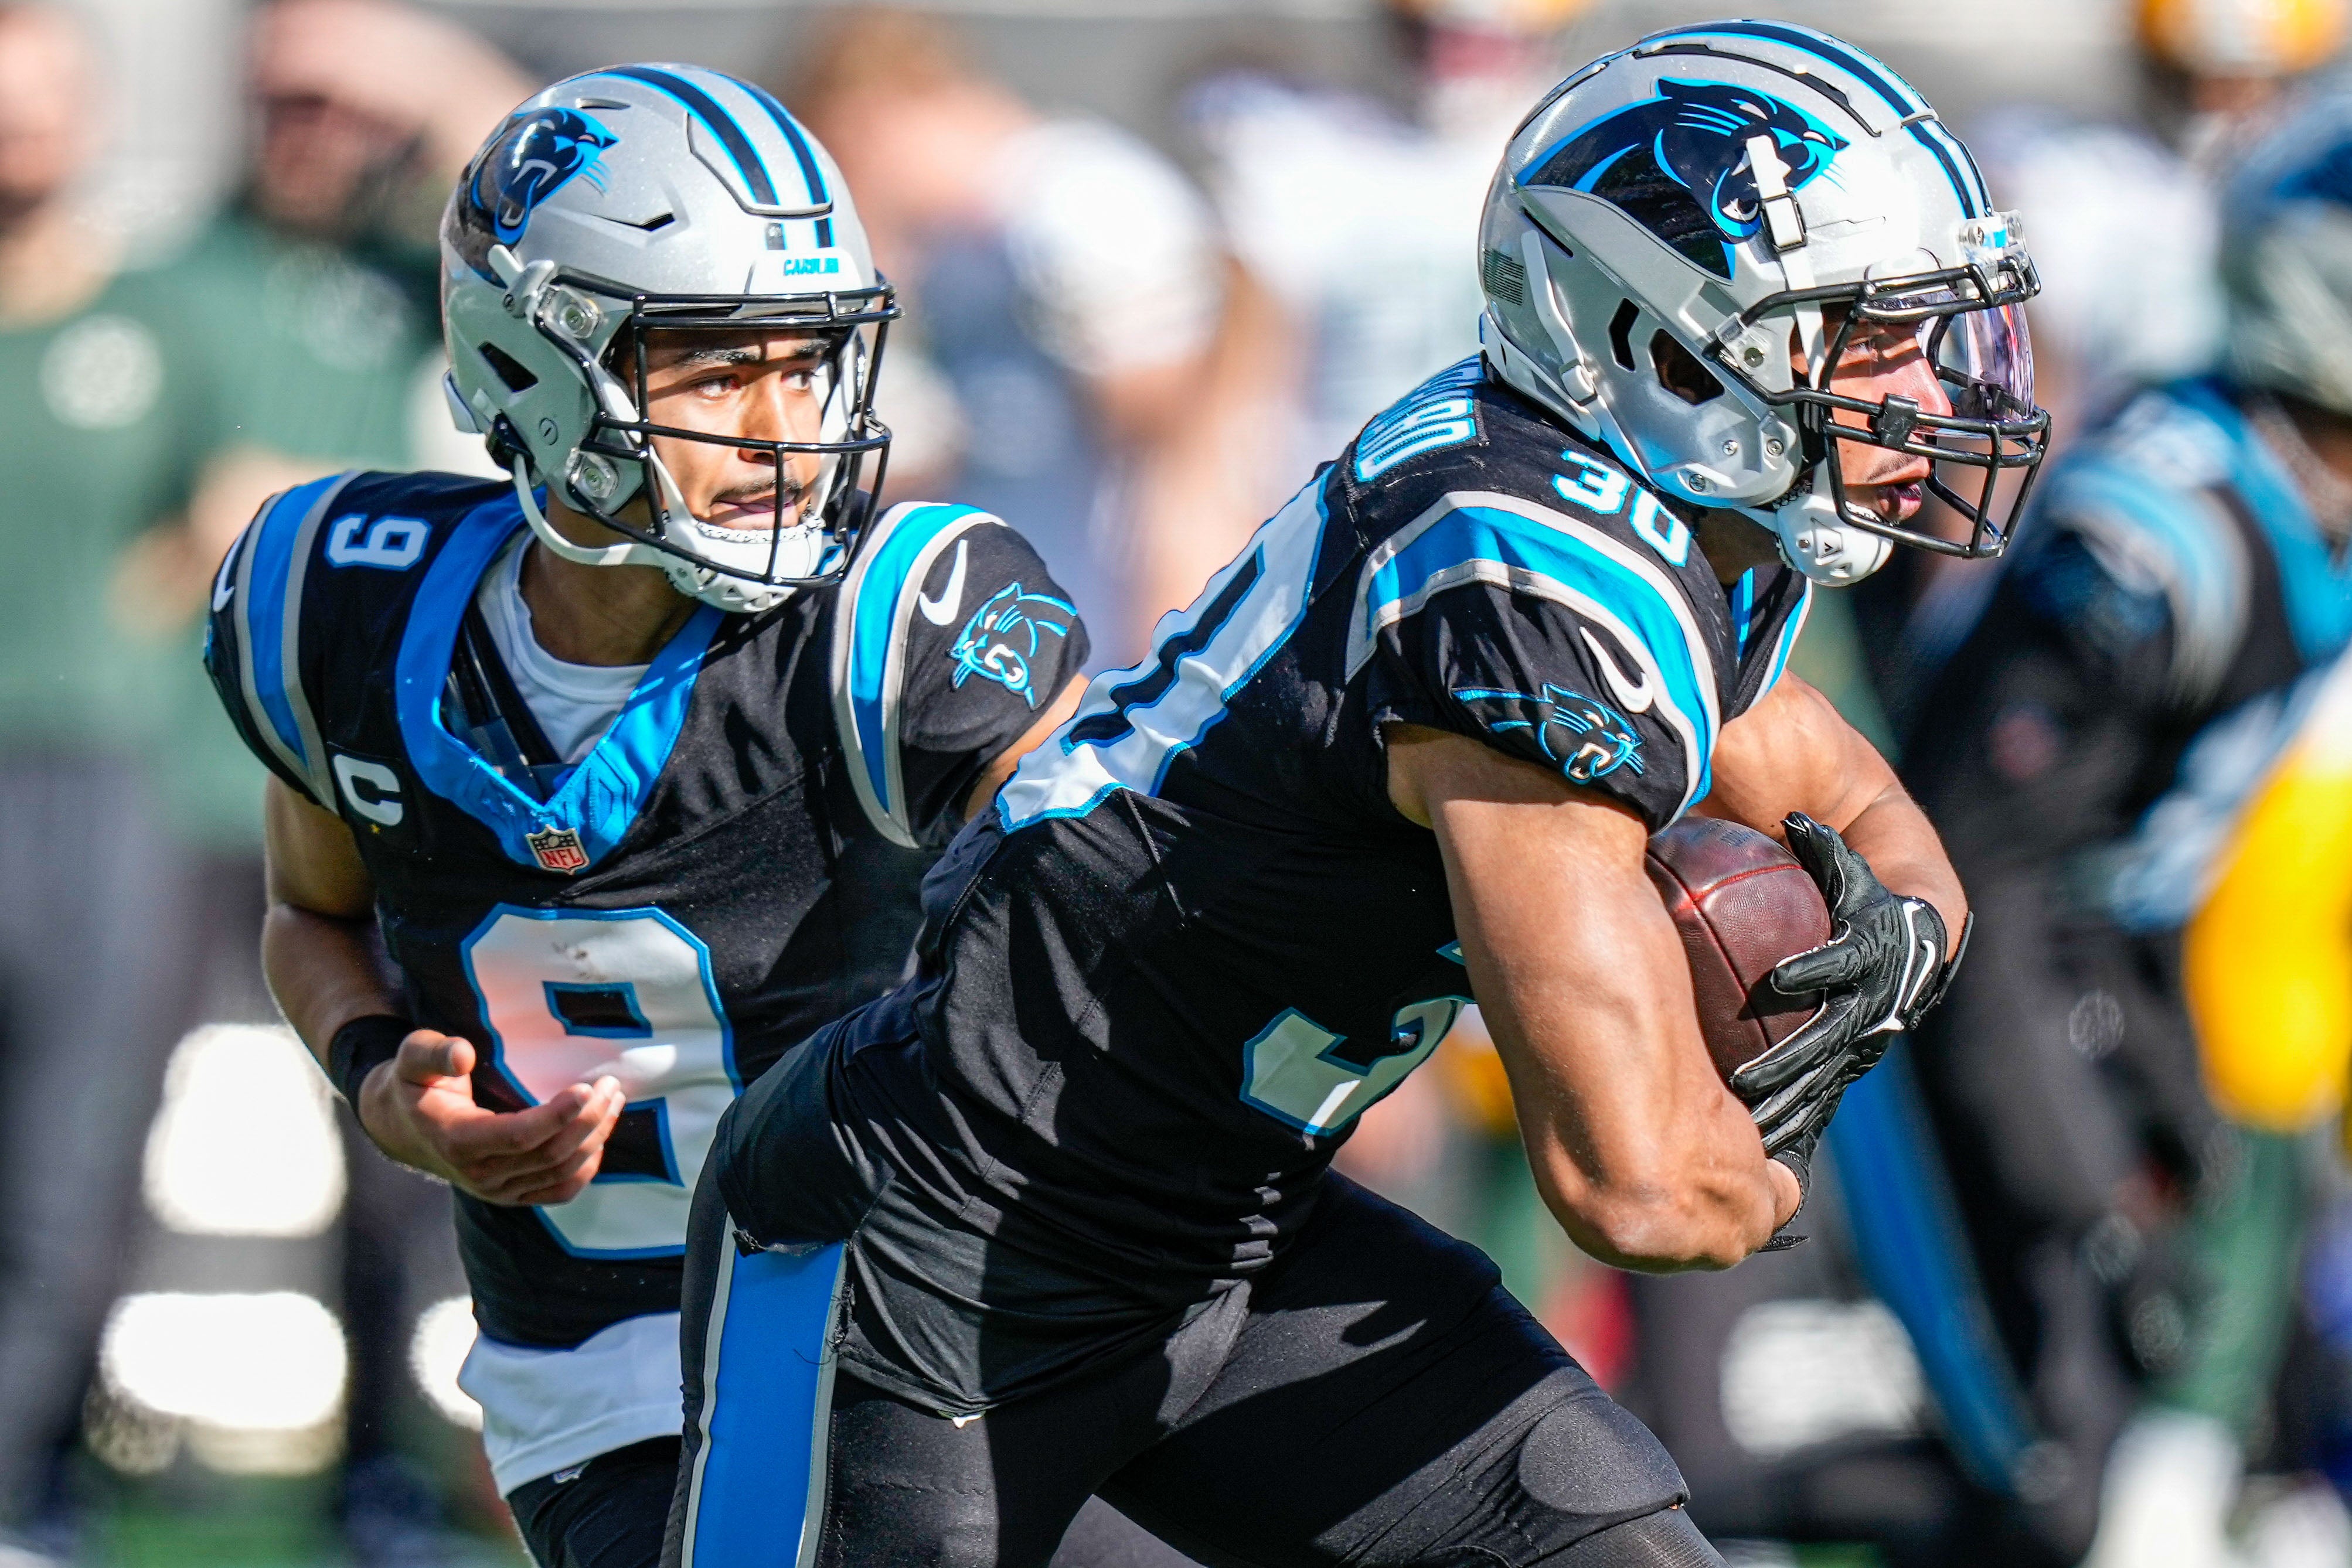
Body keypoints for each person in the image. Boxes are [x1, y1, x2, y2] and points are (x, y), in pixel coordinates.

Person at [670, 22, 2040, 1567]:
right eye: (1863, 335)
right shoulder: (1526, 581)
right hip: (942, 1241)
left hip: (1236, 1238)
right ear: (1663, 343)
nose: (1922, 384)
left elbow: (1855, 806)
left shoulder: (1649, 526)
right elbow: (1640, 1184)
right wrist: (1786, 1123)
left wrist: (1897, 944)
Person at [203, 64, 1091, 1568]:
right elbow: (315, 914)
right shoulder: (329, 607)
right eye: (717, 369)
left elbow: (1115, 917)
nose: (779, 424)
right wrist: (380, 1086)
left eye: (805, 365)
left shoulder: (895, 624)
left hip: (931, 1328)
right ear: (533, 366)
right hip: (609, 1384)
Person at [1900, 84, 2352, 1568]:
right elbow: (1973, 880)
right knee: (2056, 1472)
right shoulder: (2157, 541)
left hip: (2106, 962)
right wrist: (2086, 1183)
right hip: (1941, 975)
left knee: (2202, 1401)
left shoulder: (2293, 494)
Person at [0, 8, 232, 1560]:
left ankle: (23, 1480)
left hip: (95, 783)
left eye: (41, 105)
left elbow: (222, 509)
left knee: (71, 1165)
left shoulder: (163, 317)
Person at [784, 7, 1230, 667]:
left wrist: (1169, 645)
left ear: (872, 117)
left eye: (847, 162)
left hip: (1116, 648)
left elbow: (1187, 452)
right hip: (1026, 639)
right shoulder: (960, 245)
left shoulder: (1083, 206)